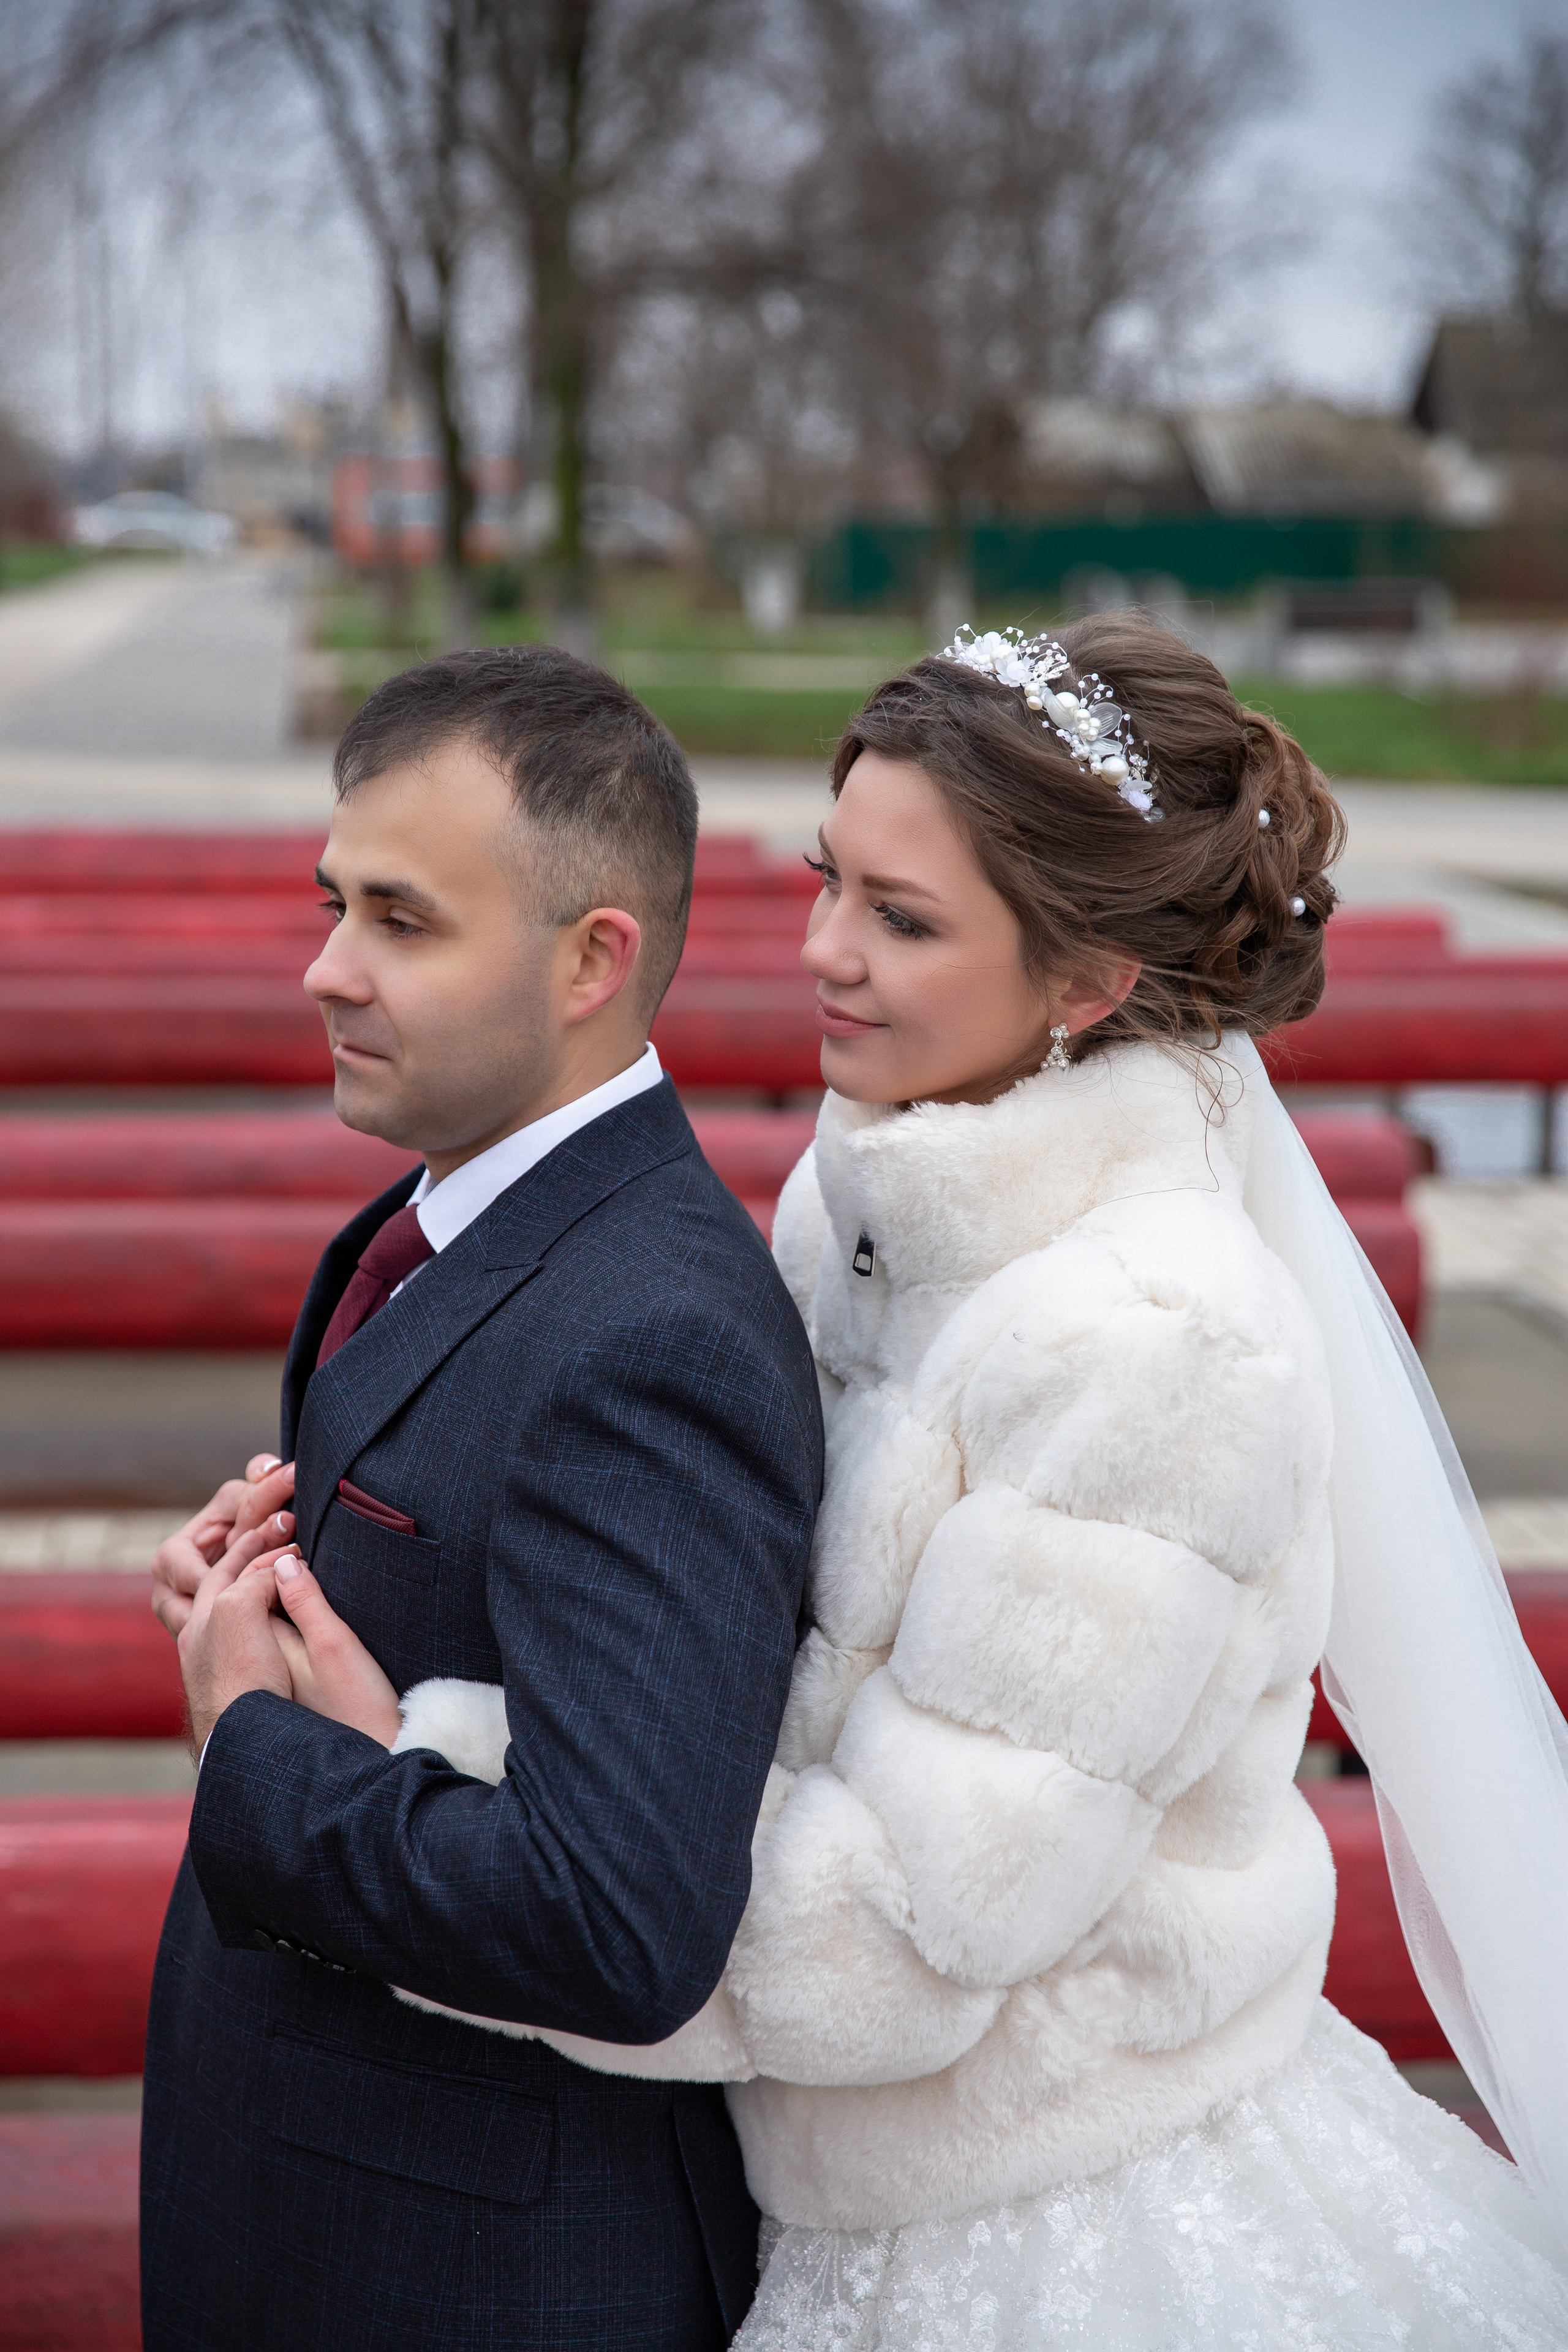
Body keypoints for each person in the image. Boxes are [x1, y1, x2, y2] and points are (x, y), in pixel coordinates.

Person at [267, 612, 1568, 2347]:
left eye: (902, 919)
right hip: (834, 2189)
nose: (821, 952)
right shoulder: (876, 1204)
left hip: (1063, 2224)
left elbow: (907, 1930)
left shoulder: (1160, 1344)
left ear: (1091, 982)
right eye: (826, 880)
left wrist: (406, 1772)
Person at [140, 646, 824, 2352]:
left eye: (402, 920)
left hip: (477, 2278)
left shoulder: (655, 1332)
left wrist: (257, 1747)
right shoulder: (465, 1219)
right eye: (332, 902)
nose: (324, 970)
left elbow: (621, 1924)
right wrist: (269, 1598)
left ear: (595, 958)